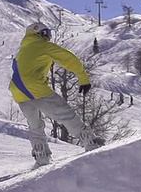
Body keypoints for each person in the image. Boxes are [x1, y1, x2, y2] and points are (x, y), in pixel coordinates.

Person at [9, 22, 104, 168]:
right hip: (35, 88)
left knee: (35, 125)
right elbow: (69, 59)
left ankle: (42, 156)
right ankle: (89, 141)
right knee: (64, 113)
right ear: (39, 34)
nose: (48, 37)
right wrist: (83, 79)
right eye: (46, 33)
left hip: (18, 92)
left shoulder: (22, 51)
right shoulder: (43, 46)